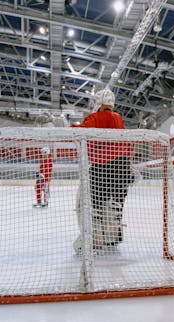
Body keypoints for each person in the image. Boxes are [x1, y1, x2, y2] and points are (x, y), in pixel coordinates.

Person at [71, 89, 133, 252]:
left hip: (101, 168)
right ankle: (112, 237)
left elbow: (86, 141)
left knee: (93, 205)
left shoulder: (93, 118)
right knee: (114, 205)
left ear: (98, 102)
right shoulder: (118, 118)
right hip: (122, 169)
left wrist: (71, 128)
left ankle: (95, 239)